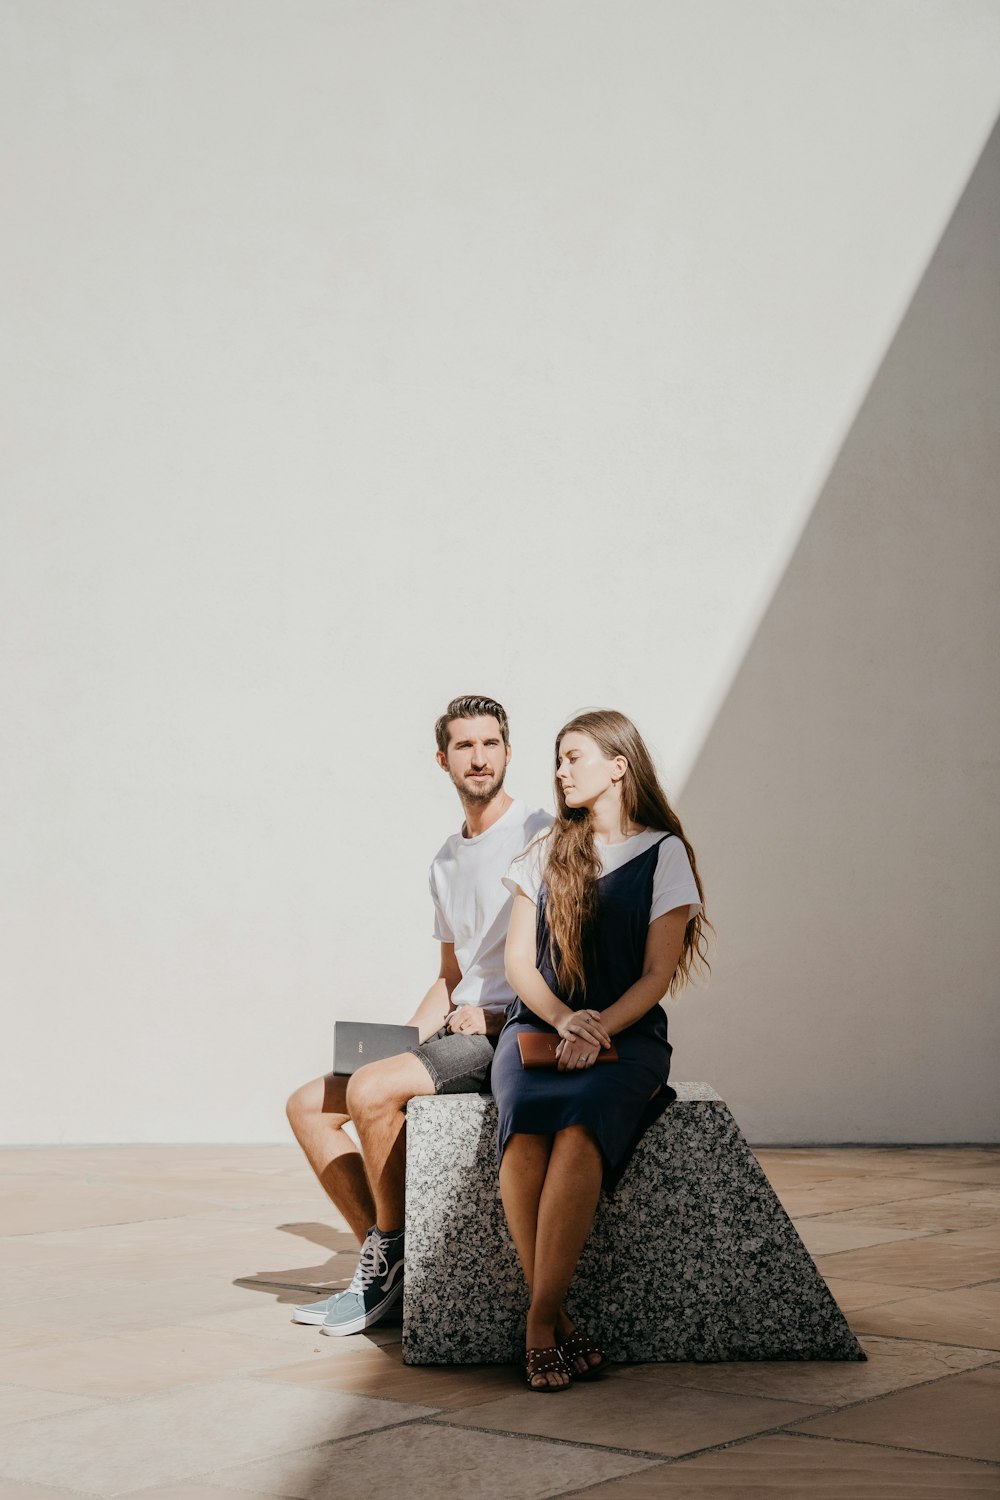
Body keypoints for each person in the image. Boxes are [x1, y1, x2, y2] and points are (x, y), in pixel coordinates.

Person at [286, 694, 551, 1335]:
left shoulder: (542, 834)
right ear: (443, 760)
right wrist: (401, 1042)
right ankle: (390, 1262)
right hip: (458, 1026)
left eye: (491, 744)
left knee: (374, 1092)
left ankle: (387, 1270)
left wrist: (492, 1018)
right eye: (465, 745)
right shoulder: (444, 860)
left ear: (509, 753)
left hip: (510, 1032)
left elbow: (561, 960)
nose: (480, 757)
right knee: (310, 1105)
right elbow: (450, 976)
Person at [490, 709, 709, 1391]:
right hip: (536, 1031)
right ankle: (555, 1321)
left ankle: (539, 1320)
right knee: (524, 1136)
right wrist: (564, 1022)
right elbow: (520, 966)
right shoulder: (544, 850)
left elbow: (656, 973)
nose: (560, 771)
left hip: (628, 1036)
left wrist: (599, 1028)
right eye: (557, 759)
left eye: (573, 757)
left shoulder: (665, 852)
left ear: (618, 765)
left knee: (582, 1128)